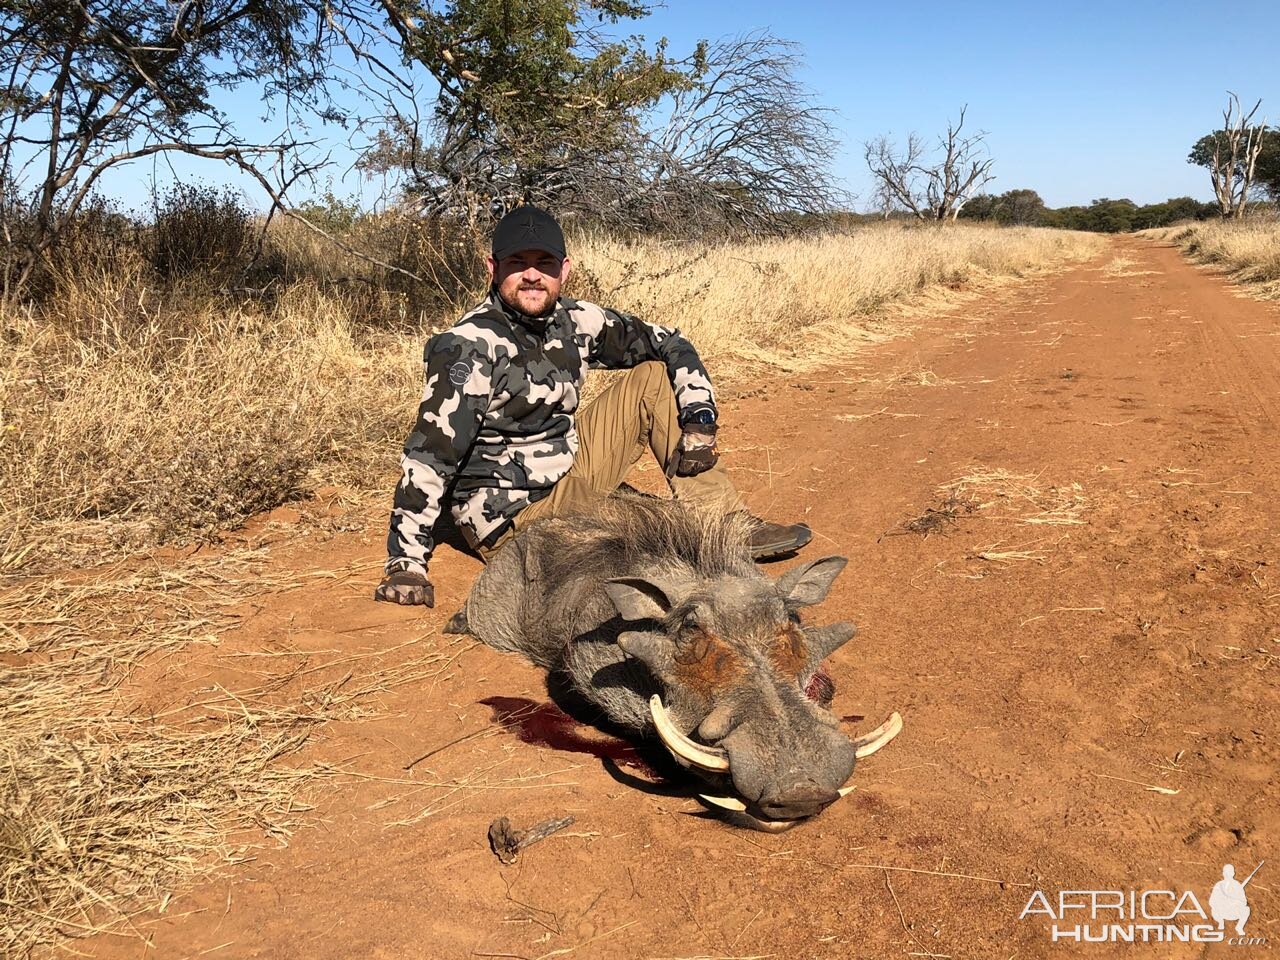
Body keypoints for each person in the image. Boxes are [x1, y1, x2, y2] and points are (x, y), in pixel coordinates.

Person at [374, 205, 813, 606]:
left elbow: (669, 342)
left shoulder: (577, 319)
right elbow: (431, 457)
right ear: (492, 268)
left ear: (564, 269)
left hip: (570, 474)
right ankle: (702, 544)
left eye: (544, 263)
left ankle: (726, 521)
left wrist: (699, 415)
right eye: (517, 264)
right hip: (515, 517)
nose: (532, 276)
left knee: (652, 376)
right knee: (656, 536)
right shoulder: (467, 346)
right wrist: (406, 564)